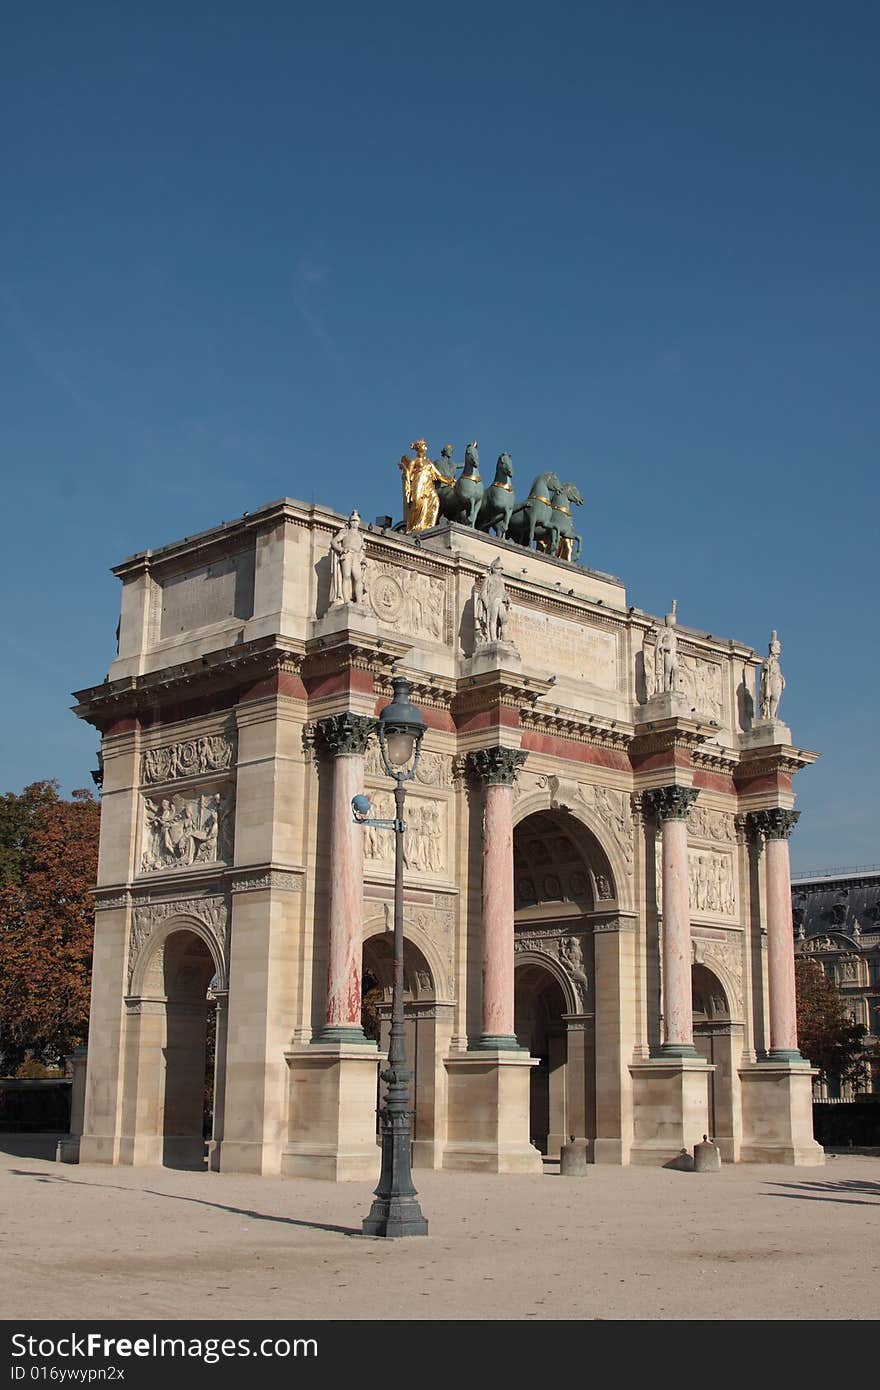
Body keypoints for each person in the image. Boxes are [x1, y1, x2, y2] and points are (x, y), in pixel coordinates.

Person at [399, 439, 454, 531]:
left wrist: (450, 481)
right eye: (424, 446)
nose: (426, 448)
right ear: (419, 448)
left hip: (429, 485)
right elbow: (408, 473)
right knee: (417, 504)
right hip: (418, 483)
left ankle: (429, 526)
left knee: (435, 502)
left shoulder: (429, 462)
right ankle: (413, 526)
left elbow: (439, 476)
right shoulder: (414, 461)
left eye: (425, 446)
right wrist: (405, 470)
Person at [329, 509, 367, 606]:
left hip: (356, 556)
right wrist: (341, 549)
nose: (354, 523)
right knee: (346, 576)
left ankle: (359, 601)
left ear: (359, 522)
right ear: (350, 522)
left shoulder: (360, 535)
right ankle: (346, 600)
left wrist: (363, 559)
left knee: (358, 578)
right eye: (353, 520)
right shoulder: (345, 532)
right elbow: (334, 542)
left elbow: (362, 550)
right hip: (347, 554)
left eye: (356, 521)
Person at [654, 600, 678, 694]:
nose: (674, 621)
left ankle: (675, 688)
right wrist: (664, 647)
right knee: (667, 672)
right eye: (673, 619)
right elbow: (659, 644)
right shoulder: (663, 631)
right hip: (667, 654)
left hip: (673, 655)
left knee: (676, 670)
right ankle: (666, 689)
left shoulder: (673, 633)